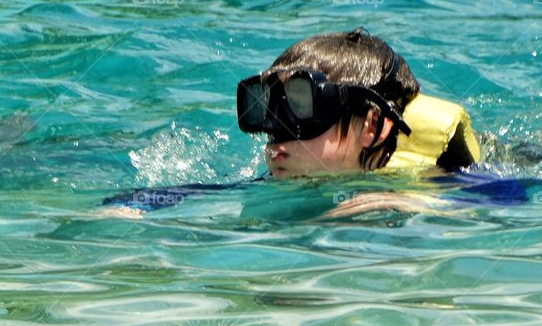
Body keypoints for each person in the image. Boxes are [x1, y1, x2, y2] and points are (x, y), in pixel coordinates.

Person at [102, 28, 519, 219]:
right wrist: (130, 207)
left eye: (301, 108)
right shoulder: (282, 168)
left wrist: (422, 203)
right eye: (267, 109)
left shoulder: (443, 176)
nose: (274, 138)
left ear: (370, 126)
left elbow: (511, 196)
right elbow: (188, 193)